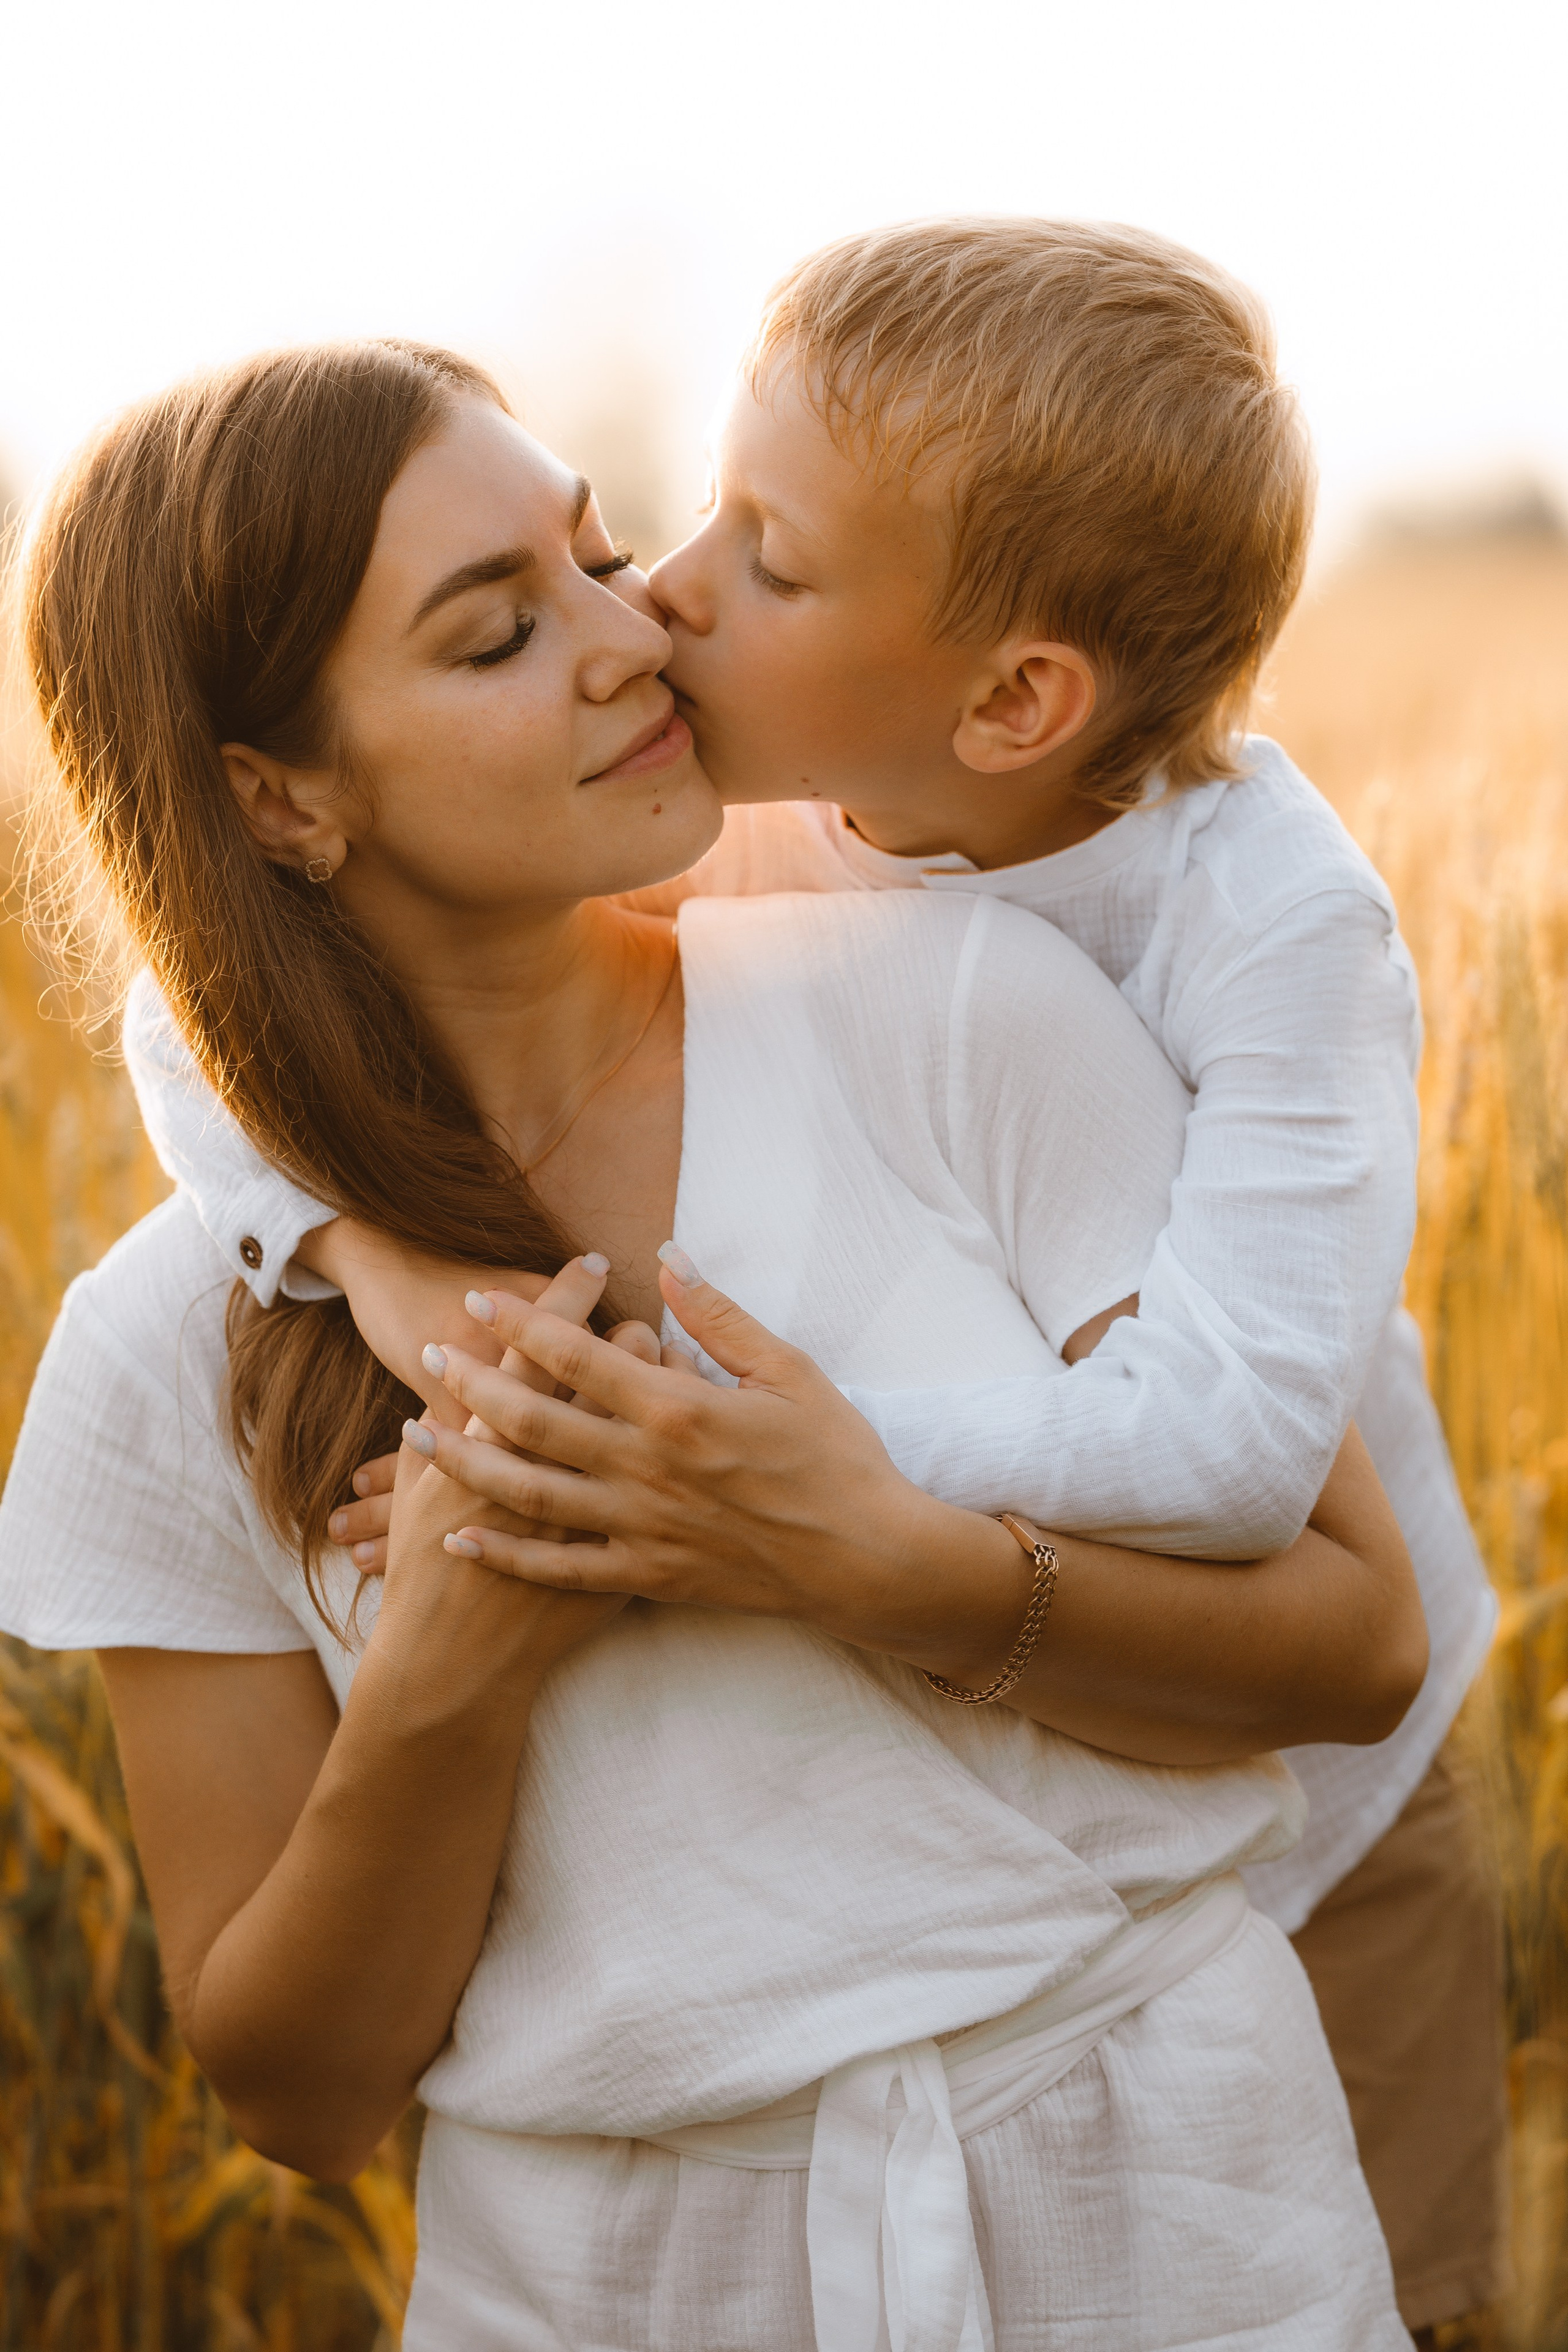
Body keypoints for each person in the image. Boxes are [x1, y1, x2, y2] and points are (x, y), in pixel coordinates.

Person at [132, 225, 1504, 2342]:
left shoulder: (1257, 922)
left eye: (754, 559)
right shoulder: (734, 818)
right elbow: (206, 982)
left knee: (1389, 2279)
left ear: (1014, 701)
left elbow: (1263, 1492)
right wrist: (375, 1258)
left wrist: (759, 1477)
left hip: (1302, 1800)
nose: (658, 603)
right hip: (976, 1906)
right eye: (664, 531)